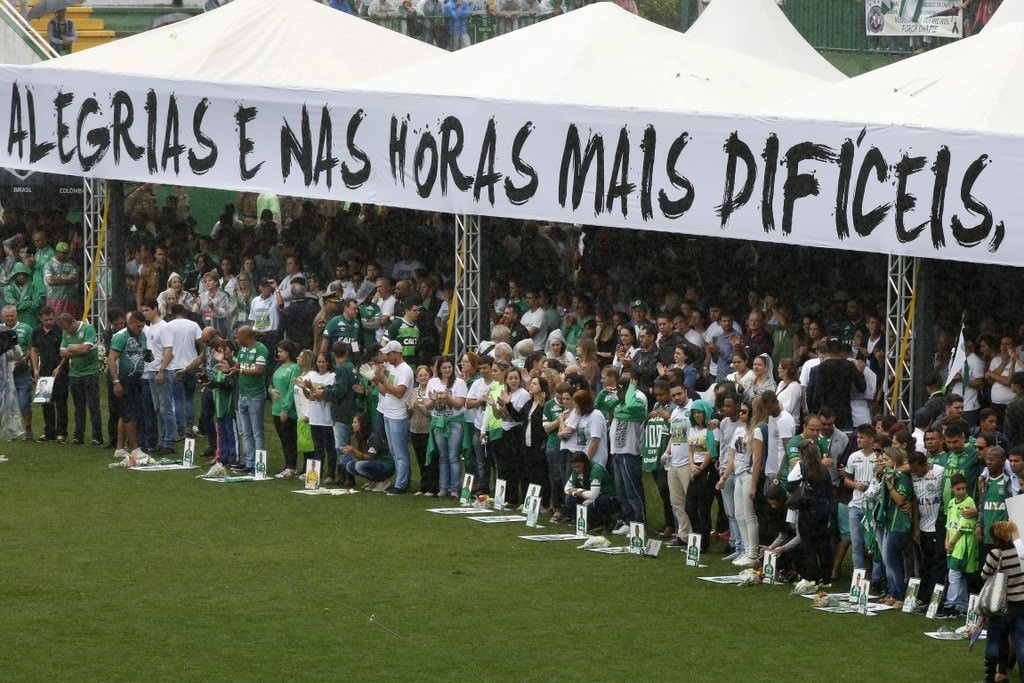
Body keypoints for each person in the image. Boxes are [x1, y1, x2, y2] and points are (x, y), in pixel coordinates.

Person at [979, 520, 1024, 683]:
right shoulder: (1020, 551)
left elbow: (984, 575)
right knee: (1020, 641)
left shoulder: (995, 554)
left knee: (994, 640)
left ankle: (990, 676)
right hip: (1021, 602)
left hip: (1002, 605)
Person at [373, 339, 414, 494]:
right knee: (393, 450)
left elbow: (399, 392)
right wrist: (378, 378)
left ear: (397, 353)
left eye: (389, 354)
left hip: (398, 414)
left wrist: (383, 379)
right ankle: (402, 479)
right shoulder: (391, 367)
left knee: (400, 450)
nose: (387, 358)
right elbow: (385, 390)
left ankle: (401, 483)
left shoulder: (405, 370)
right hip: (388, 412)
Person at [56, 312, 102, 446]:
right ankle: (78, 436)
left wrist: (72, 348)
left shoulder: (88, 329)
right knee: (78, 407)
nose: (67, 332)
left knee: (93, 406)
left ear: (73, 322)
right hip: (74, 374)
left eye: (68, 328)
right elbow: (62, 352)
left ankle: (97, 436)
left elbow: (86, 349)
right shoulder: (65, 333)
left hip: (90, 373)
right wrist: (77, 349)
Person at [425, 355, 467, 498]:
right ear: (439, 369)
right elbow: (427, 405)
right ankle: (443, 488)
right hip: (438, 421)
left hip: (454, 421)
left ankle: (454, 489)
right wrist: (435, 399)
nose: (447, 370)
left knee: (453, 455)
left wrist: (448, 398)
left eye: (449, 367)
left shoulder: (459, 383)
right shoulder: (432, 382)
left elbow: (460, 404)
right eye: (444, 367)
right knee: (443, 456)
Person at [107, 311, 148, 459]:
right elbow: (111, 359)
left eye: (143, 326)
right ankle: (135, 448)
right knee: (130, 414)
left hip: (136, 379)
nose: (140, 329)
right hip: (123, 379)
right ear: (130, 323)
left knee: (125, 414)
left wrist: (148, 356)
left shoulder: (141, 335)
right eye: (138, 326)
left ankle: (119, 447)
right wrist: (116, 381)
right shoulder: (121, 336)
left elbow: (141, 352)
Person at [232, 325, 269, 474]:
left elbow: (259, 370)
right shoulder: (243, 350)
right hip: (243, 394)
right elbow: (237, 366)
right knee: (246, 431)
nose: (236, 339)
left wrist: (239, 370)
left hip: (255, 395)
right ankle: (249, 461)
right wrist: (228, 369)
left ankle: (258, 463)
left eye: (238, 336)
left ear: (247, 336)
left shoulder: (261, 349)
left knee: (257, 431)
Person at [30, 306, 67, 443]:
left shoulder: (60, 331)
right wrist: (35, 369)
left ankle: (61, 432)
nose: (49, 322)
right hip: (44, 371)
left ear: (54, 317)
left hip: (61, 371)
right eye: (46, 320)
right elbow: (34, 350)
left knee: (61, 402)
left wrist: (59, 367)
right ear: (40, 319)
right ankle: (49, 431)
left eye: (51, 319)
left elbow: (66, 350)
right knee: (45, 402)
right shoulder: (37, 332)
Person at [563, 452, 619, 532]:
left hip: (609, 497)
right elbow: (566, 488)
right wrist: (575, 493)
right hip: (592, 495)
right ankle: (587, 521)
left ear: (585, 464)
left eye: (579, 466)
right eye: (574, 467)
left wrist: (579, 491)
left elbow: (593, 495)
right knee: (569, 499)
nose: (577, 469)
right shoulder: (576, 472)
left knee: (593, 504)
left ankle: (608, 522)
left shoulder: (596, 469)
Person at [270, 340, 302, 478]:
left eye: (281, 351)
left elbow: (291, 388)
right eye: (278, 351)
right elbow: (270, 383)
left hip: (287, 409)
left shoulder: (294, 368)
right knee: (283, 438)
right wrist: (270, 390)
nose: (278, 354)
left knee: (289, 438)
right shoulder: (279, 366)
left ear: (288, 352)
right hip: (275, 408)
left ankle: (292, 466)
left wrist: (285, 408)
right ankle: (287, 464)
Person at [340, 412, 394, 491]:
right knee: (350, 465)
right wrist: (351, 452)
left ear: (363, 424)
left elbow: (371, 457)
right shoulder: (359, 436)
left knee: (359, 465)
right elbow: (361, 456)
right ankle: (374, 481)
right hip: (374, 462)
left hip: (385, 464)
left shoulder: (373, 437)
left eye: (355, 422)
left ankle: (382, 481)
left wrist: (354, 451)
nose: (352, 425)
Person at [44, 241, 79, 319]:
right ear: (56, 252)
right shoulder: (49, 264)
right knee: (55, 320)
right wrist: (67, 278)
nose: (64, 255)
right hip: (54, 298)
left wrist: (57, 278)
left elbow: (75, 279)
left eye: (66, 253)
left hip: (69, 298)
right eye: (62, 253)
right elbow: (50, 281)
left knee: (70, 321)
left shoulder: (72, 264)